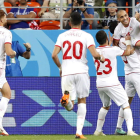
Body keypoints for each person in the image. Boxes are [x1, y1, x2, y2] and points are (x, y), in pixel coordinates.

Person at [52, 12, 104, 139]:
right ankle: (79, 132)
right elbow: (94, 54)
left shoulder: (62, 35)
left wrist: (60, 67)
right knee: (82, 100)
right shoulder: (86, 35)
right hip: (81, 71)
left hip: (67, 72)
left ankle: (67, 101)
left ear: (69, 23)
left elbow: (54, 55)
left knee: (71, 106)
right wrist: (101, 58)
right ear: (82, 22)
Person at [93, 30, 138, 136]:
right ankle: (130, 131)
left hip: (100, 83)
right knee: (126, 104)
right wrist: (127, 43)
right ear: (107, 39)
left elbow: (104, 51)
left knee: (105, 105)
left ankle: (98, 130)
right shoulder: (114, 49)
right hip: (112, 83)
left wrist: (109, 43)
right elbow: (128, 52)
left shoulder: (95, 51)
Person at [112, 10, 140, 135]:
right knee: (126, 102)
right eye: (121, 17)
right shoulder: (128, 41)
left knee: (126, 102)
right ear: (118, 19)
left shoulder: (121, 45)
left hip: (128, 73)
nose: (124, 18)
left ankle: (118, 128)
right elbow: (136, 43)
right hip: (136, 72)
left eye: (125, 16)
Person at [0, 10, 16, 136]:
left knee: (7, 93)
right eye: (5, 17)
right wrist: (14, 53)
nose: (6, 19)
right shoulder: (6, 32)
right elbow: (9, 51)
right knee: (6, 94)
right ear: (1, 19)